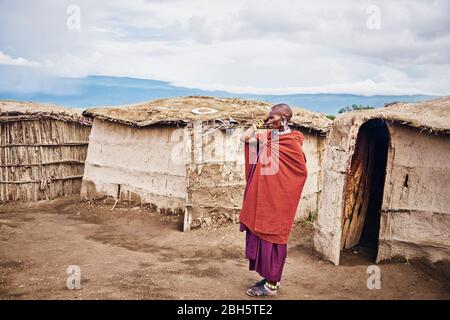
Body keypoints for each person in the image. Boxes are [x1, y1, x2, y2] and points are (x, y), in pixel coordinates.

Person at [239, 103, 308, 297]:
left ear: (284, 120)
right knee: (260, 235)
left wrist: (279, 191)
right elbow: (244, 138)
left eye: (272, 118)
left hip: (278, 202)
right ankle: (268, 277)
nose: (268, 121)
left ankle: (272, 286)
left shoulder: (292, 143)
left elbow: (299, 173)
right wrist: (258, 123)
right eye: (267, 118)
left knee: (274, 239)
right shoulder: (271, 136)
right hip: (262, 200)